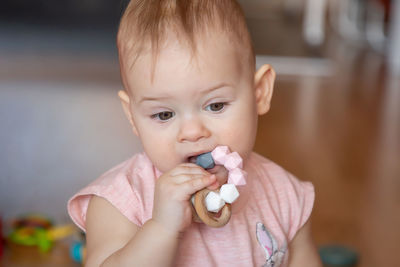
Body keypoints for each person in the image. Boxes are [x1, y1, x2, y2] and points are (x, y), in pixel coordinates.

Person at [68, 0, 322, 266]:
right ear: (132, 116)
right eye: (164, 114)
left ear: (260, 93)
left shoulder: (285, 195)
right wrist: (161, 228)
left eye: (215, 105)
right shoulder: (120, 201)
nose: (192, 133)